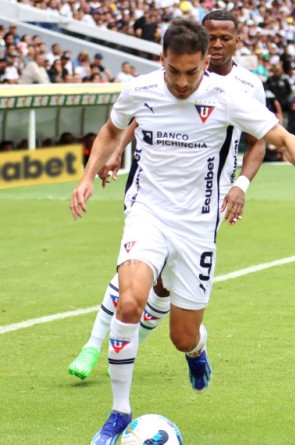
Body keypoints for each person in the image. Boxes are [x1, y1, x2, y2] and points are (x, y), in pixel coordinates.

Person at [69, 17, 295, 445]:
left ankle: (197, 350)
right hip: (147, 212)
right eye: (175, 71)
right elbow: (112, 130)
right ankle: (119, 411)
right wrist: (86, 178)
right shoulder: (140, 89)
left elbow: (280, 139)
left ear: (205, 62)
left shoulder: (228, 95)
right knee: (130, 301)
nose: (184, 81)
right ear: (163, 60)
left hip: (196, 226)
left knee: (182, 336)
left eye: (192, 71)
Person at [67, 9, 269, 381]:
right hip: (154, 185)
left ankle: (151, 343)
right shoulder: (172, 75)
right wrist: (115, 152)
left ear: (236, 41)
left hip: (208, 197)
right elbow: (142, 114)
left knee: (165, 284)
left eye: (226, 37)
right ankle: (95, 344)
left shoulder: (246, 86)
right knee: (137, 269)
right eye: (212, 37)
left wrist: (242, 184)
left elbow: (260, 141)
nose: (219, 43)